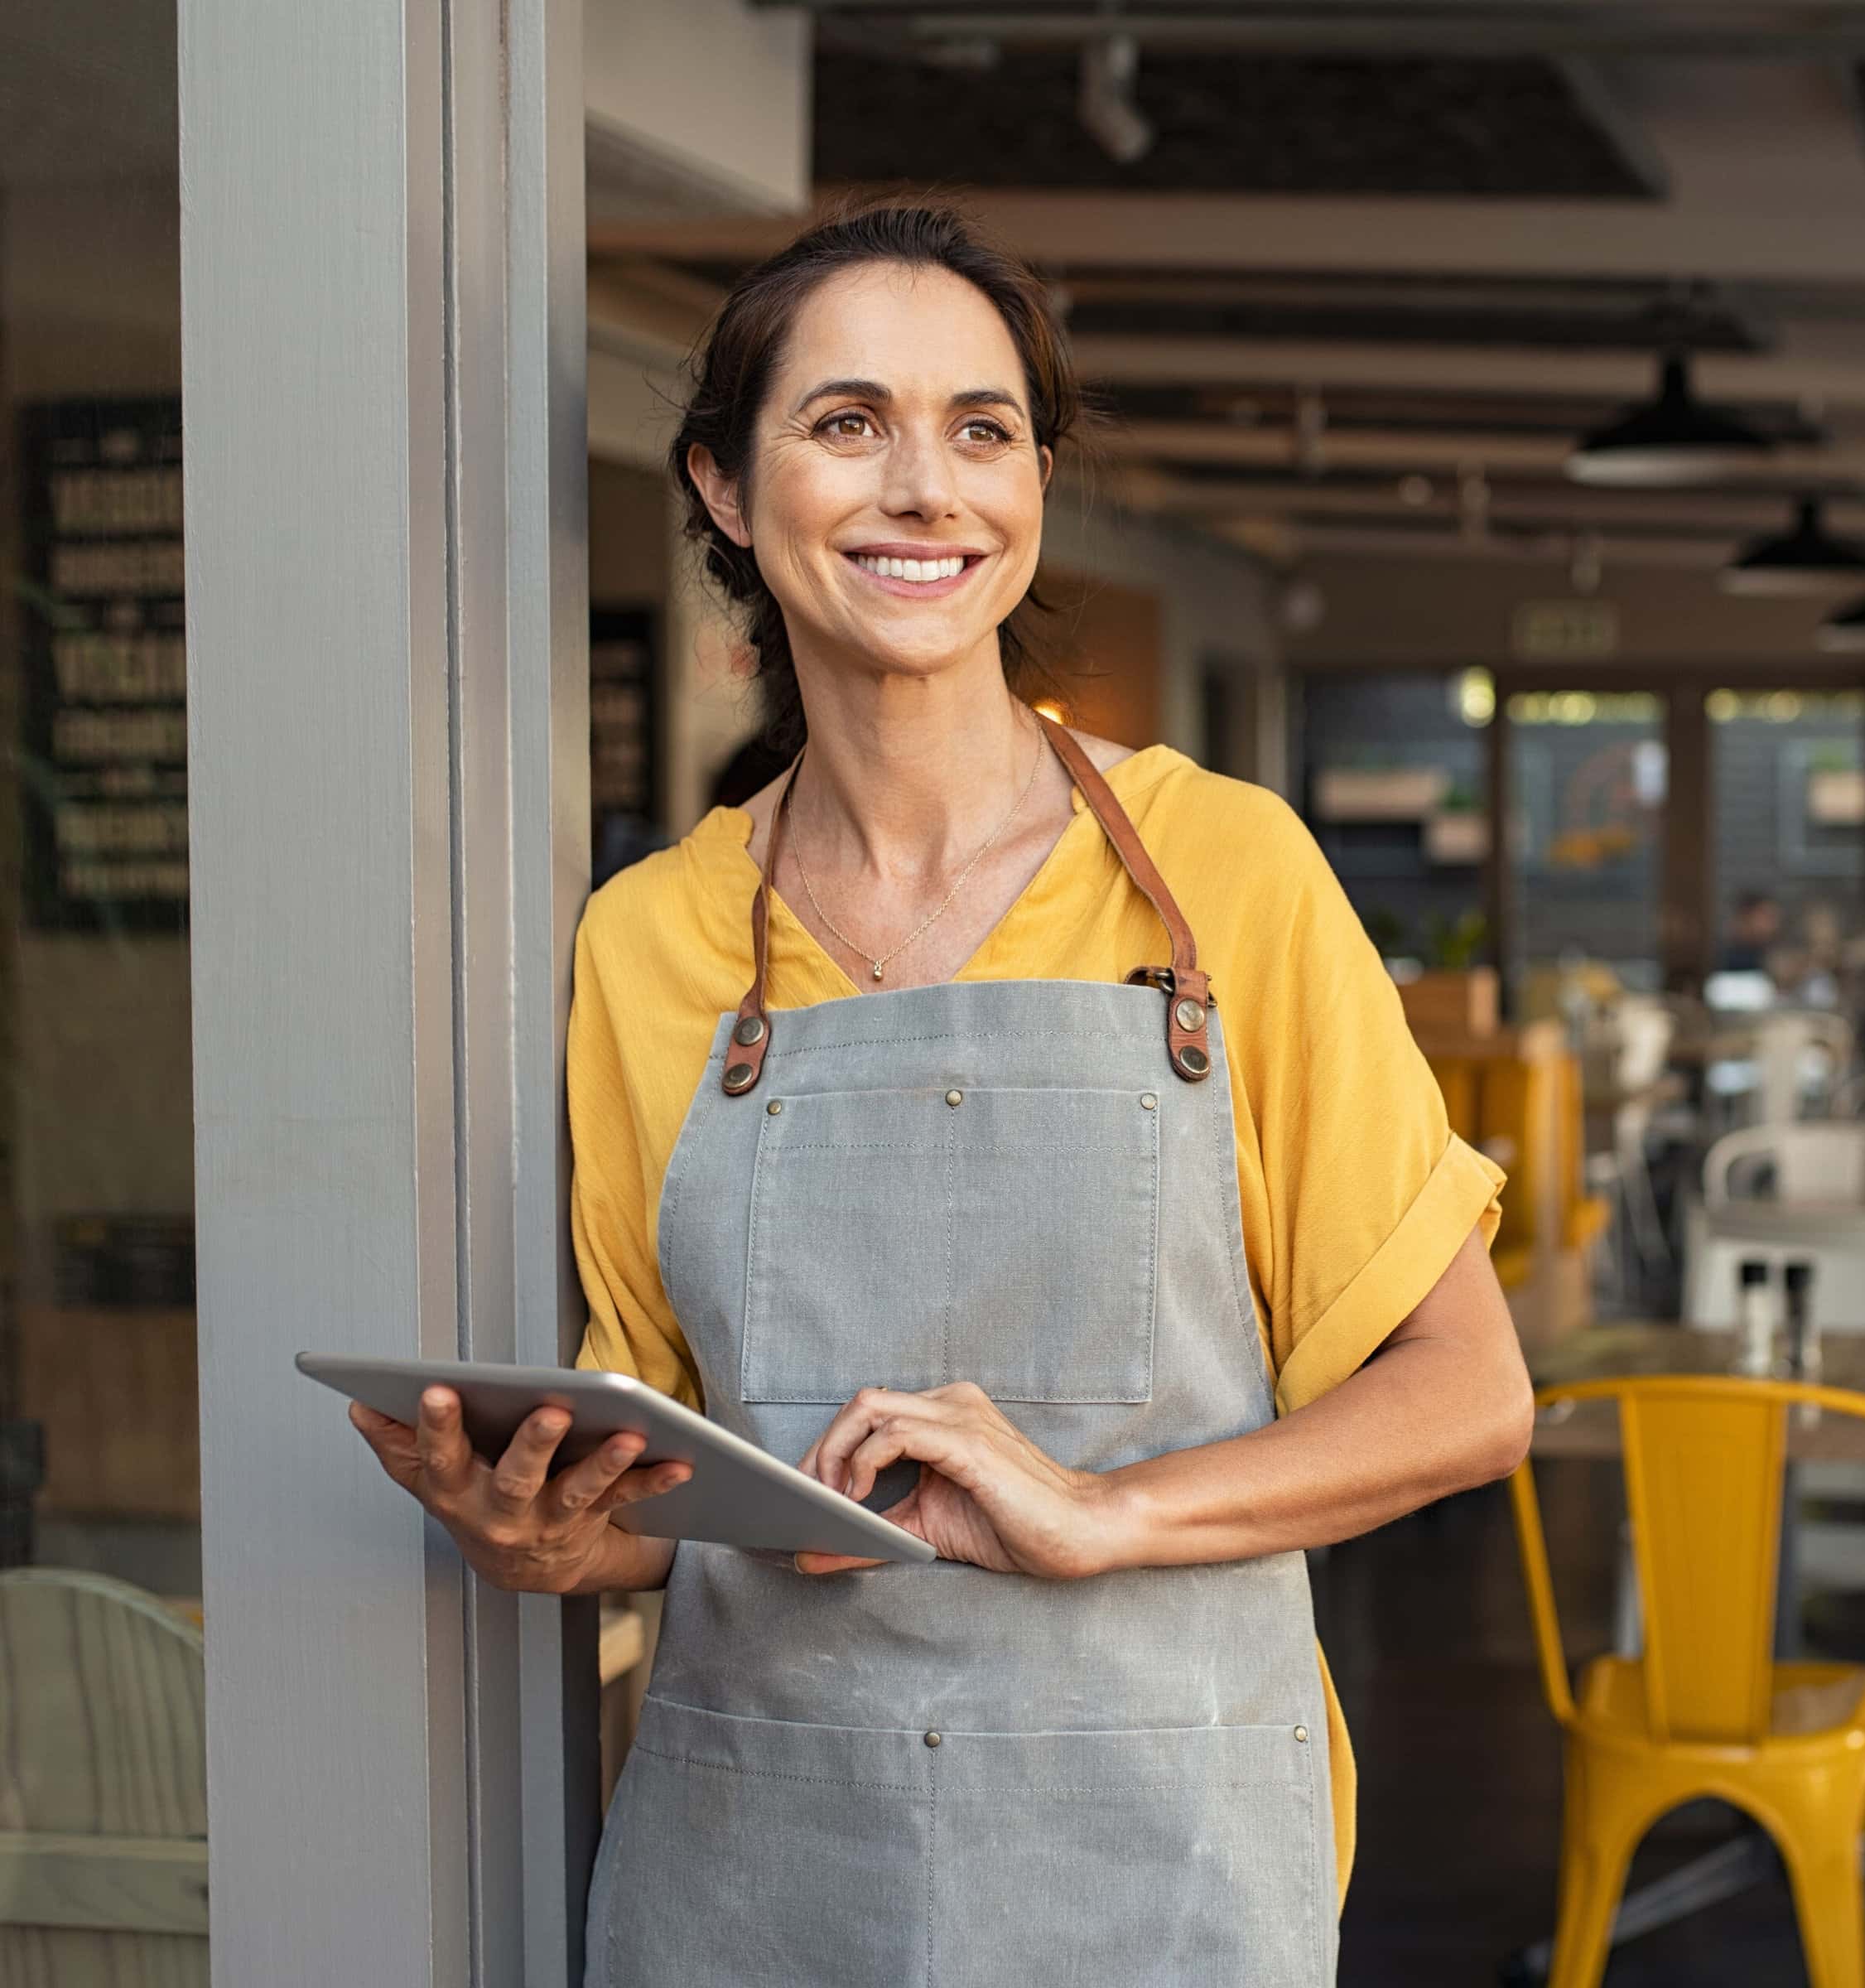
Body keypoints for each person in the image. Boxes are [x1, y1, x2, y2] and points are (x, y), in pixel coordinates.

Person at [348, 202, 1531, 1986]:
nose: (927, 488)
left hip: (1166, 1871)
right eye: (848, 425)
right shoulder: (649, 942)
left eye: (983, 429)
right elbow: (669, 1480)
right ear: (728, 493)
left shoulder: (1226, 876)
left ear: (1035, 481)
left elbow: (1469, 1396)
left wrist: (1107, 1512)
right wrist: (554, 1543)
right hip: (759, 1871)